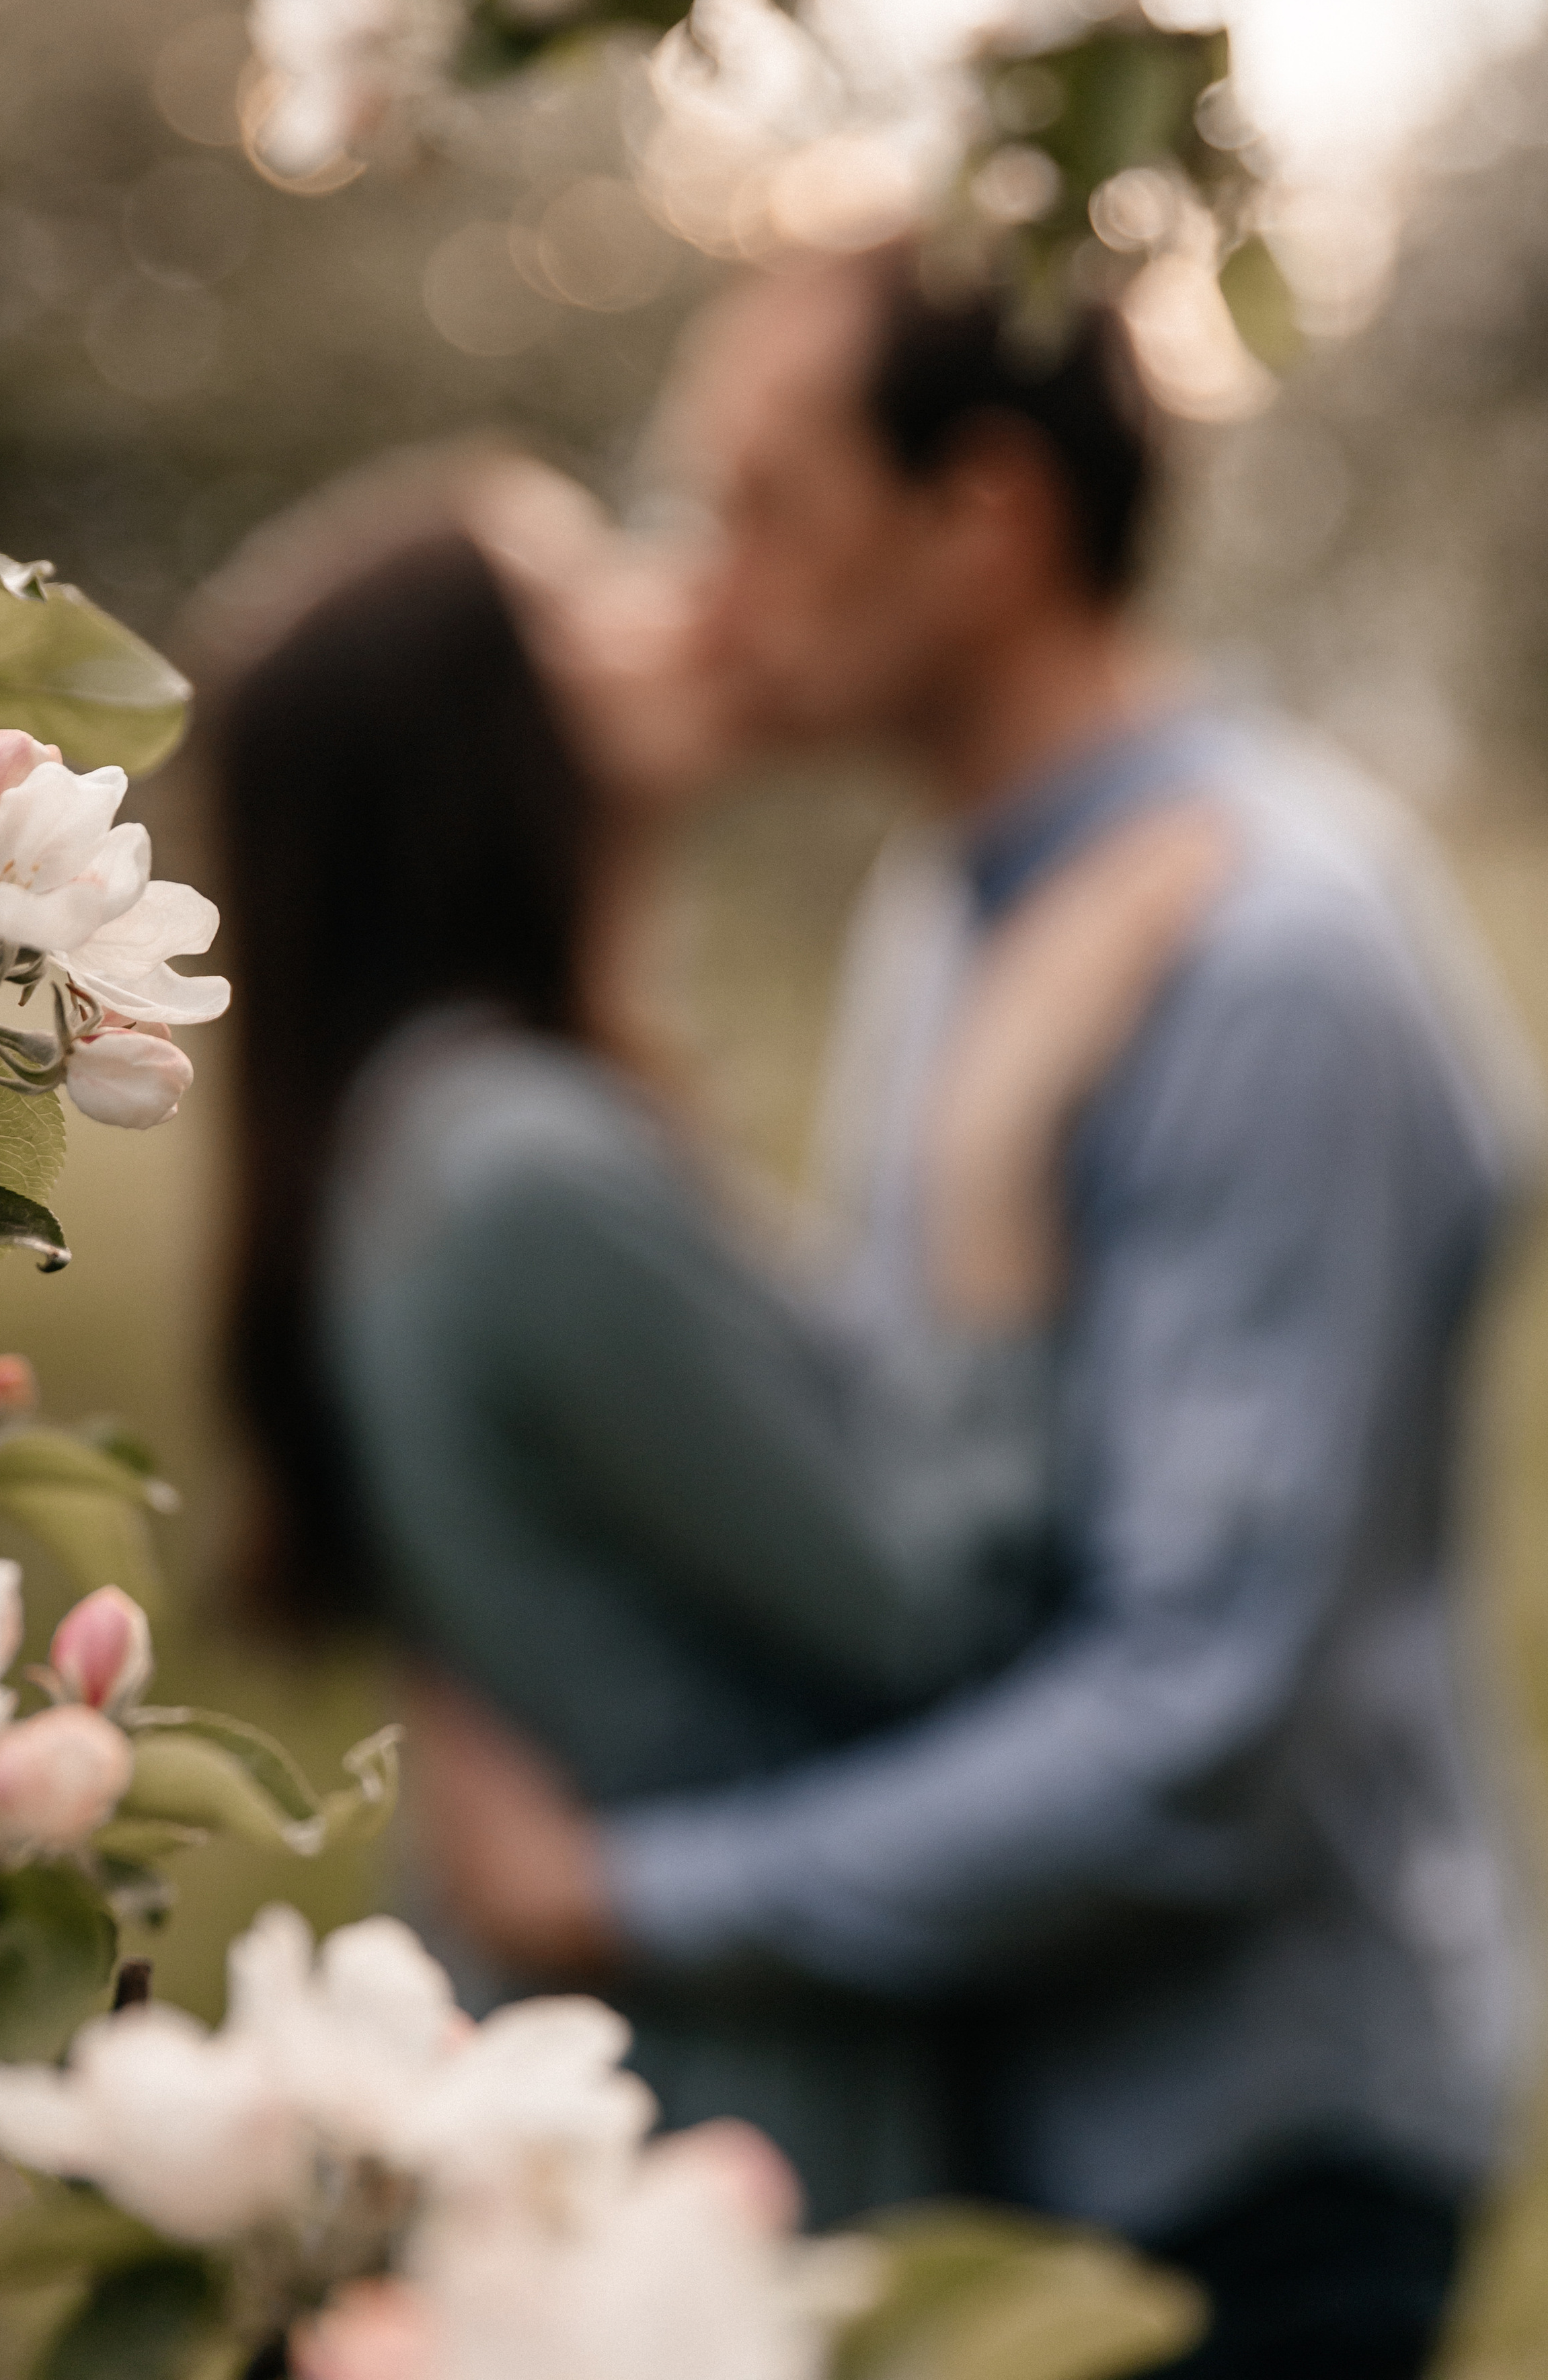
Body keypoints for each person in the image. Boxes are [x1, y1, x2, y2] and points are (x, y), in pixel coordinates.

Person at [408, 247, 1543, 2379]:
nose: (713, 587)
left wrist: (633, 1896)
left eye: (767, 508)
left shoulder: (1271, 961)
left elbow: (1199, 1726)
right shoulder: (951, 909)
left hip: (1246, 2163)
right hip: (1018, 2122)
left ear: (985, 522)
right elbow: (915, 1500)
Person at [206, 454, 1227, 2229]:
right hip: (706, 2130)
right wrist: (990, 1172)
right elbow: (938, 1616)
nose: (684, 595)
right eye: (585, 588)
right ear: (470, 732)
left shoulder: (451, 1133)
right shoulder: (520, 1168)